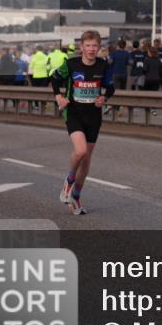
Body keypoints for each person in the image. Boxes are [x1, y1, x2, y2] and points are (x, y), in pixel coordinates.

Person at [53, 30, 115, 215]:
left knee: (86, 159)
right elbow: (54, 78)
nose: (91, 49)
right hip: (74, 112)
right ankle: (68, 182)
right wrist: (58, 97)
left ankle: (76, 197)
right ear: (81, 47)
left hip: (93, 115)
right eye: (87, 46)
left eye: (94, 46)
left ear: (99, 48)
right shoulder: (71, 64)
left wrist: (104, 98)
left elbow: (110, 87)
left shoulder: (103, 65)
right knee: (80, 151)